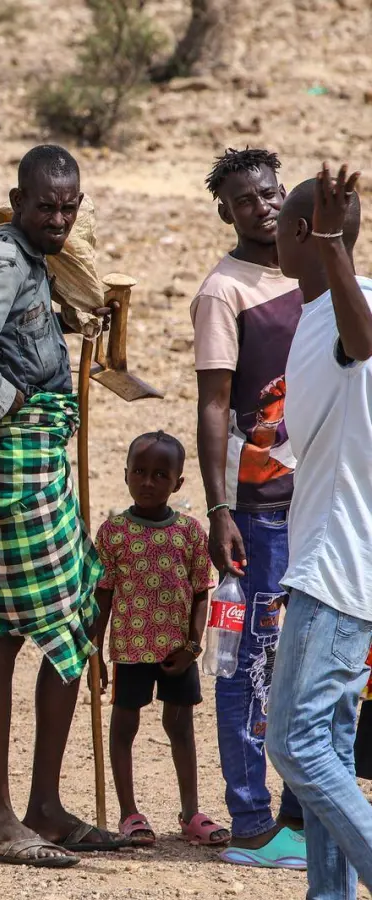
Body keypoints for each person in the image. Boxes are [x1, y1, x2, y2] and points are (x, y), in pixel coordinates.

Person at [0, 145, 122, 867]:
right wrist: (5, 402)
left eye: (70, 206)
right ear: (17, 199)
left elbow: (13, 335)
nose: (60, 219)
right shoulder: (8, 258)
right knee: (6, 630)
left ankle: (42, 805)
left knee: (68, 615)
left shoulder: (29, 259)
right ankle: (0, 819)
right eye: (47, 206)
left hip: (35, 464)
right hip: (14, 465)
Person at [188, 147, 308, 868]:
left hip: (316, 502)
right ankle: (251, 821)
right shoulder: (223, 292)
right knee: (248, 663)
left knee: (308, 660)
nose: (262, 207)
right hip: (256, 509)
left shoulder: (311, 275)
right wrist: (218, 507)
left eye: (269, 193)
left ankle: (300, 811)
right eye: (245, 200)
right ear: (225, 211)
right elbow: (211, 404)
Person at [266, 163, 372, 900]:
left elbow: (362, 344)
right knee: (328, 743)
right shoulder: (310, 317)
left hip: (335, 572)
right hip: (327, 563)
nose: (270, 232)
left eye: (281, 223)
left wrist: (337, 245)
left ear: (305, 231)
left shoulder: (349, 308)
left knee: (294, 741)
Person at [94, 432, 228, 848]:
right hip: (131, 651)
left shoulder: (190, 533)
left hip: (178, 653)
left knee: (180, 726)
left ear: (178, 483)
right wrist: (94, 652)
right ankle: (129, 813)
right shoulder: (113, 533)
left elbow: (201, 591)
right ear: (125, 474)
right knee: (124, 725)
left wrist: (192, 646)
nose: (148, 482)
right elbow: (103, 594)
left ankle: (191, 813)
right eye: (139, 472)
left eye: (160, 475)